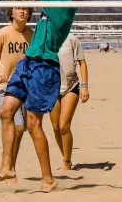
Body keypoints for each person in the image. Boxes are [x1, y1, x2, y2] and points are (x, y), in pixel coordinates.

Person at [0, 0, 92, 192]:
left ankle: (48, 178)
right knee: (6, 111)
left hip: (44, 68)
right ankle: (7, 166)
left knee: (33, 124)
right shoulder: (54, 3)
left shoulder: (63, 5)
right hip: (28, 63)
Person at [0, 0, 34, 185]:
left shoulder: (32, 35)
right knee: (15, 125)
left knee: (19, 130)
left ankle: (9, 167)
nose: (22, 11)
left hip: (25, 87)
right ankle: (7, 167)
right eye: (18, 8)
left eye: (25, 8)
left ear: (29, 13)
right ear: (11, 12)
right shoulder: (1, 34)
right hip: (2, 86)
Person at [50, 33, 89, 171]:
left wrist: (84, 86)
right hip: (51, 88)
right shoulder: (45, 38)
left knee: (63, 126)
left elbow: (82, 63)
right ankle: (66, 157)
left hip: (71, 86)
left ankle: (66, 162)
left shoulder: (72, 39)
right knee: (55, 127)